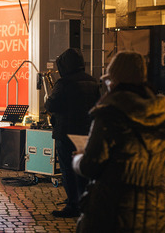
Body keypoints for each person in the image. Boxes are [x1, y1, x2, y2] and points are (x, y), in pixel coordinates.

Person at [72, 52, 165, 232]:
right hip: (153, 209)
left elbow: (90, 165)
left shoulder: (109, 113)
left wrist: (78, 158)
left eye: (109, 81)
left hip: (112, 208)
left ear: (116, 81)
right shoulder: (163, 115)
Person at [44, 48, 100, 218]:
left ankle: (73, 205)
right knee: (82, 169)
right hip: (86, 132)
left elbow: (51, 105)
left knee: (68, 170)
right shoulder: (92, 81)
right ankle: (85, 202)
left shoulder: (64, 83)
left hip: (66, 133)